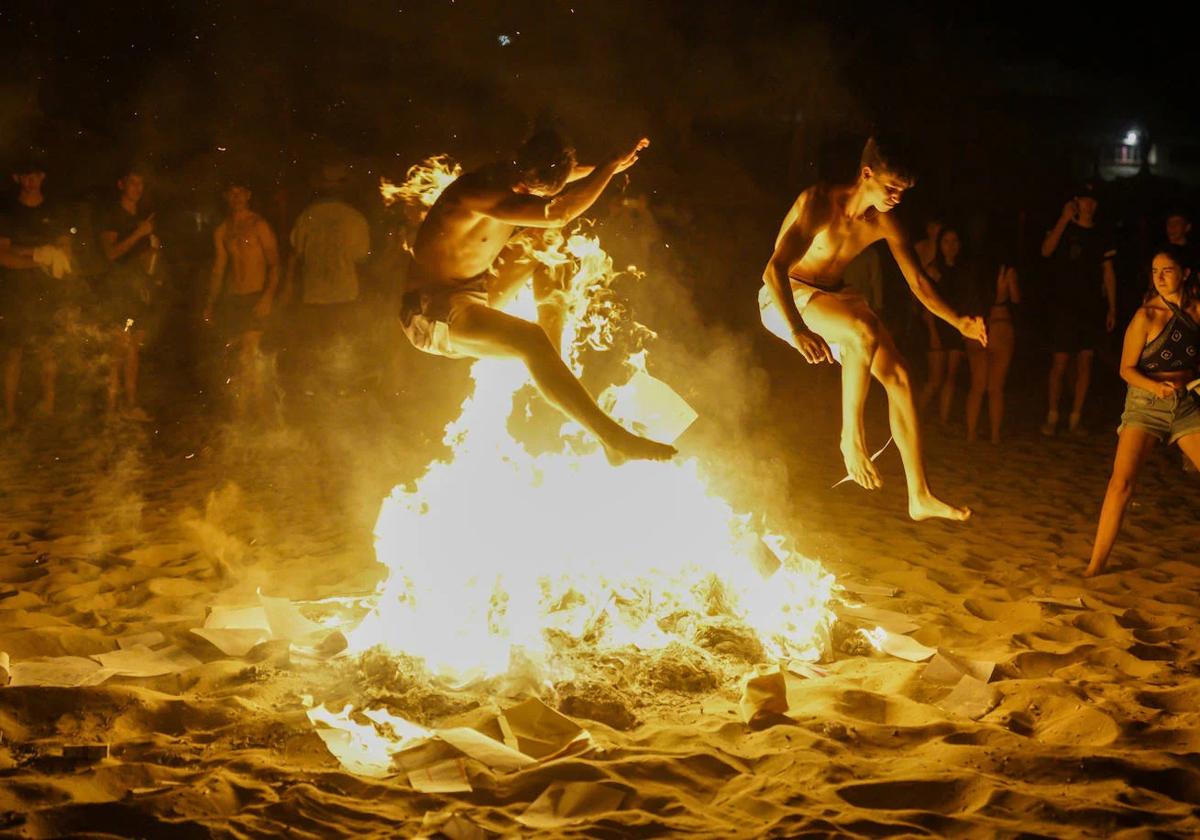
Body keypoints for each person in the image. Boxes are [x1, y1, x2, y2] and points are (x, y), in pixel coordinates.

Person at [400, 128, 674, 463]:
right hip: (433, 313)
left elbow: (564, 181)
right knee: (529, 338)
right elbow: (558, 212)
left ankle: (551, 366)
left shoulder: (521, 173)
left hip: (476, 289)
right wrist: (609, 165)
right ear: (521, 173)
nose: (528, 195)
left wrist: (607, 167)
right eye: (527, 189)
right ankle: (613, 439)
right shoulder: (478, 191)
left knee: (546, 243)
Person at [758, 136, 986, 521]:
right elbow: (773, 271)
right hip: (785, 297)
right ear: (867, 174)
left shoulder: (884, 221)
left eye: (903, 191)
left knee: (900, 377)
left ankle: (919, 495)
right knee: (862, 330)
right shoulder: (818, 203)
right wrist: (797, 330)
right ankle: (851, 440)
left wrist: (957, 320)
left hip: (833, 297)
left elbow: (918, 283)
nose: (897, 197)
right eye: (891, 187)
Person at [1085, 246, 1200, 576]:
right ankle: (1095, 566)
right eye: (1155, 271)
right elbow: (1126, 369)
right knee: (1121, 485)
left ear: (1185, 273)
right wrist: (1156, 388)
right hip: (1145, 405)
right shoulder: (1145, 316)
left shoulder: (1196, 312)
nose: (1160, 277)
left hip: (1186, 405)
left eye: (1167, 270)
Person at [0, 156, 73, 429]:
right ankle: (9, 414)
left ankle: (49, 406)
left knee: (47, 349)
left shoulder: (54, 210)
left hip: (47, 293)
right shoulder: (8, 212)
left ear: (43, 177)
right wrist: (38, 256)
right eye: (25, 176)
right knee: (12, 353)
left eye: (36, 176)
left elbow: (65, 250)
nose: (31, 182)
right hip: (17, 293)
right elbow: (3, 254)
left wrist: (53, 255)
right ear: (16, 179)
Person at [1039, 182, 1117, 436]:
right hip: (1064, 306)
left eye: (1093, 201)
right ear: (1076, 202)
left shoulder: (1102, 234)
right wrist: (1063, 218)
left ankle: (1075, 417)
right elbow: (1046, 250)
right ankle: (1052, 415)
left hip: (1090, 307)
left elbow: (1108, 273)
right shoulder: (1065, 228)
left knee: (1086, 362)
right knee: (1060, 363)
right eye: (1084, 200)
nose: (1089, 205)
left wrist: (1112, 308)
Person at [284, 161, 370, 390]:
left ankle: (316, 386)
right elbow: (361, 255)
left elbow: (298, 250)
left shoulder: (307, 216)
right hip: (343, 292)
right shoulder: (354, 218)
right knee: (341, 342)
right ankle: (340, 386)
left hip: (315, 292)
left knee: (316, 341)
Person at [204, 180, 280, 419]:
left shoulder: (259, 225)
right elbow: (219, 269)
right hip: (234, 298)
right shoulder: (223, 230)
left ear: (248, 195)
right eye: (232, 193)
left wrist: (267, 296)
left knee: (250, 355)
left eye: (241, 192)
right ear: (227, 196)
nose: (236, 197)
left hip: (256, 296)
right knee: (239, 358)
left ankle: (260, 414)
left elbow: (275, 263)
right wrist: (210, 302)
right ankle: (245, 413)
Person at [97, 166, 161, 421]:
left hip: (137, 290)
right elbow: (111, 253)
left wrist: (153, 250)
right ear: (121, 185)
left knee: (133, 347)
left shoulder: (142, 217)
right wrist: (139, 233)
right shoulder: (113, 214)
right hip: (117, 290)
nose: (137, 188)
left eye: (140, 184)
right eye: (132, 182)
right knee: (118, 349)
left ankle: (130, 405)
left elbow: (143, 259)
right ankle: (112, 408)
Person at [963, 248, 1020, 443]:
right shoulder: (1006, 271)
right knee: (995, 388)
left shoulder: (971, 269)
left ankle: (970, 433)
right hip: (1000, 323)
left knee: (977, 386)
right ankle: (995, 435)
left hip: (975, 325)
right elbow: (1015, 298)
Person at [917, 225, 967, 425]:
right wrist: (932, 333)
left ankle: (943, 420)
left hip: (954, 329)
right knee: (935, 379)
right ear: (940, 244)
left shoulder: (960, 270)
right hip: (936, 327)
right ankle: (915, 414)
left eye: (954, 241)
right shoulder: (933, 269)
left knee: (951, 378)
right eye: (946, 241)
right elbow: (927, 306)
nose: (951, 246)